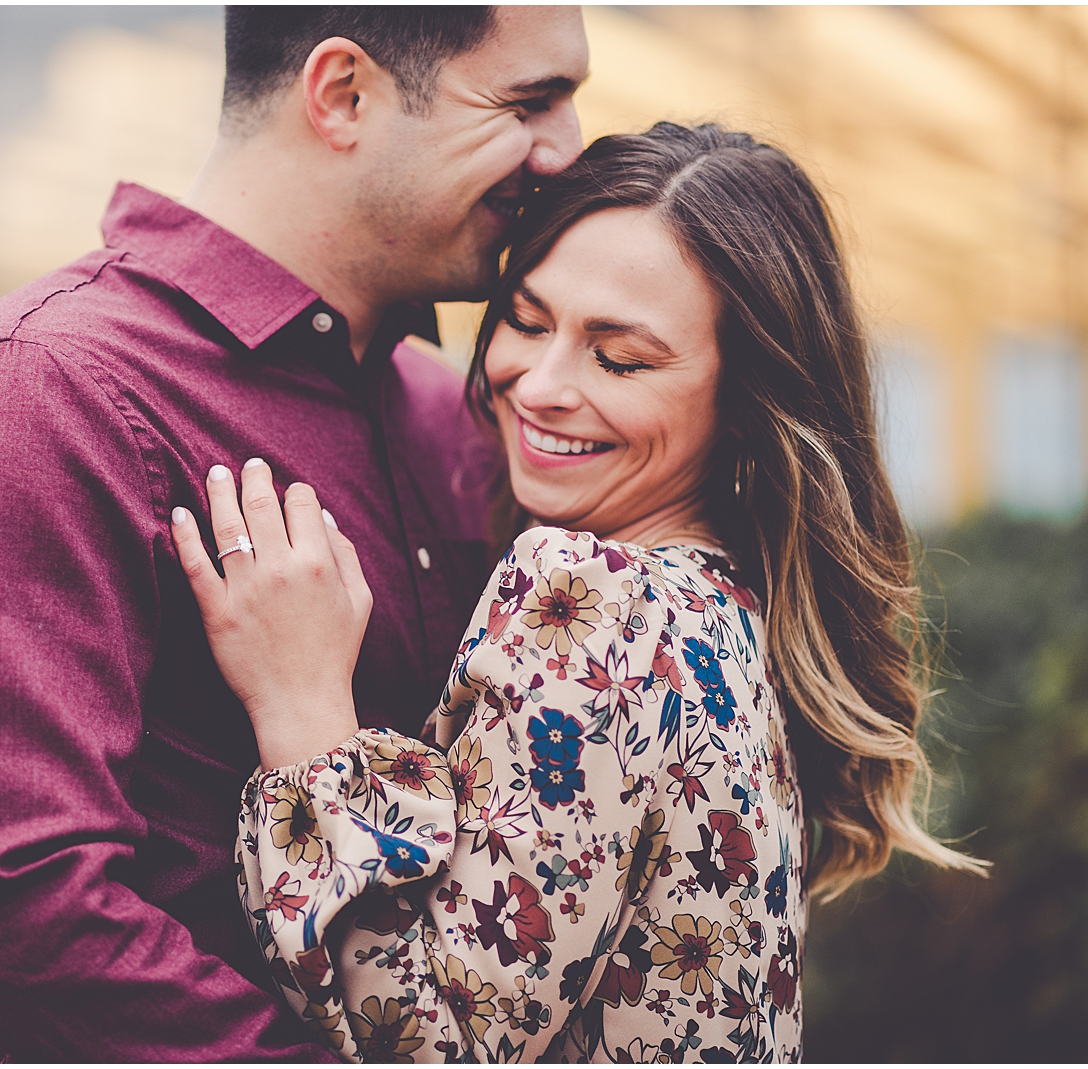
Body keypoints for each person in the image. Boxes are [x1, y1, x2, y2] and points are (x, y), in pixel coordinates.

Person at [0, 7, 590, 1062]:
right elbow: (15, 912)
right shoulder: (41, 391)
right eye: (529, 102)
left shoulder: (459, 420)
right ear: (343, 94)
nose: (567, 151)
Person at [170, 123, 988, 1062]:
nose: (540, 384)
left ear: (747, 399)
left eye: (621, 357)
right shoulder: (733, 608)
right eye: (525, 319)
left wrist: (302, 706)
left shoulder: (591, 601)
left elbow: (430, 1043)